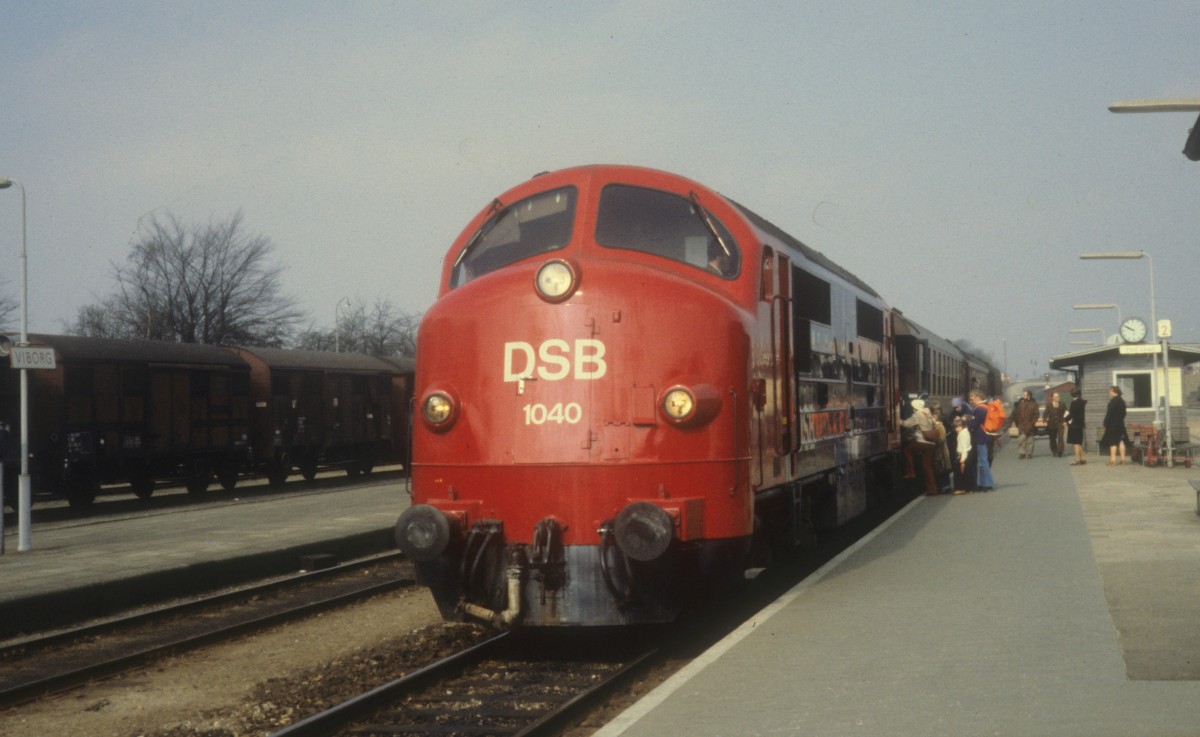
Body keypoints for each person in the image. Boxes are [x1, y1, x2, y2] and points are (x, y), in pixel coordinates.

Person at [900, 398, 938, 495]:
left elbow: (906, 424)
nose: (912, 409)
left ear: (915, 407)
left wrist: (897, 420)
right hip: (931, 443)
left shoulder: (917, 414)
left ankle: (910, 472)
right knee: (927, 467)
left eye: (913, 407)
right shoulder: (928, 413)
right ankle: (932, 489)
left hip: (922, 441)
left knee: (907, 451)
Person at [967, 390, 995, 490]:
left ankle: (987, 483)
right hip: (987, 436)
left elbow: (975, 423)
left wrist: (965, 423)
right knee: (983, 460)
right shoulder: (986, 406)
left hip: (981, 437)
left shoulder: (979, 409)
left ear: (978, 397)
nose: (971, 400)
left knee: (983, 461)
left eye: (972, 398)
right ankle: (983, 483)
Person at [1100, 385, 1129, 465]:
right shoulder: (1122, 401)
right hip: (1120, 423)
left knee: (1112, 442)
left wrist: (1106, 422)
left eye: (1110, 391)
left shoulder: (1113, 401)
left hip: (1112, 424)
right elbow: (1124, 413)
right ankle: (1123, 459)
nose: (1109, 393)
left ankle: (1113, 460)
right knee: (1121, 441)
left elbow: (1110, 413)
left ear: (1114, 392)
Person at [1013, 389, 1040, 459]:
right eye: (1023, 395)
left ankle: (1029, 452)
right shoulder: (1021, 404)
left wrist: (1033, 422)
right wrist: (1018, 422)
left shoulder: (1034, 404)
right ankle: (1022, 453)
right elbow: (1017, 414)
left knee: (1030, 440)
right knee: (1021, 439)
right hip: (1022, 425)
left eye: (1025, 395)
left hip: (1030, 424)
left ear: (1029, 396)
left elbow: (1036, 414)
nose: (1024, 396)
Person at [951, 416, 974, 494]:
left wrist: (962, 458)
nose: (956, 429)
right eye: (955, 427)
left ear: (963, 426)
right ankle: (968, 488)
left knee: (960, 473)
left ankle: (961, 488)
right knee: (966, 472)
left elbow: (964, 447)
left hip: (963, 454)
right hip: (966, 453)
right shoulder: (964, 432)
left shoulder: (963, 434)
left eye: (958, 427)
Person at [1067, 387, 1087, 466]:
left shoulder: (1074, 402)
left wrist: (1066, 420)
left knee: (1075, 443)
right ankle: (1082, 458)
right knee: (1079, 442)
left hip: (1074, 424)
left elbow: (1071, 414)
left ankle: (1077, 459)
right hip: (1080, 424)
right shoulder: (1083, 402)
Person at [1043, 391, 1067, 458]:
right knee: (1052, 438)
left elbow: (1066, 413)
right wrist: (1044, 421)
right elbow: (1045, 413)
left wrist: (1065, 421)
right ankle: (1054, 451)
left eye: (1058, 396)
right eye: (1056, 397)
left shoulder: (1062, 404)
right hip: (1051, 424)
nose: (1058, 398)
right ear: (1052, 398)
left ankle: (1060, 451)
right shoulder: (1049, 405)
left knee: (1060, 438)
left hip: (1060, 423)